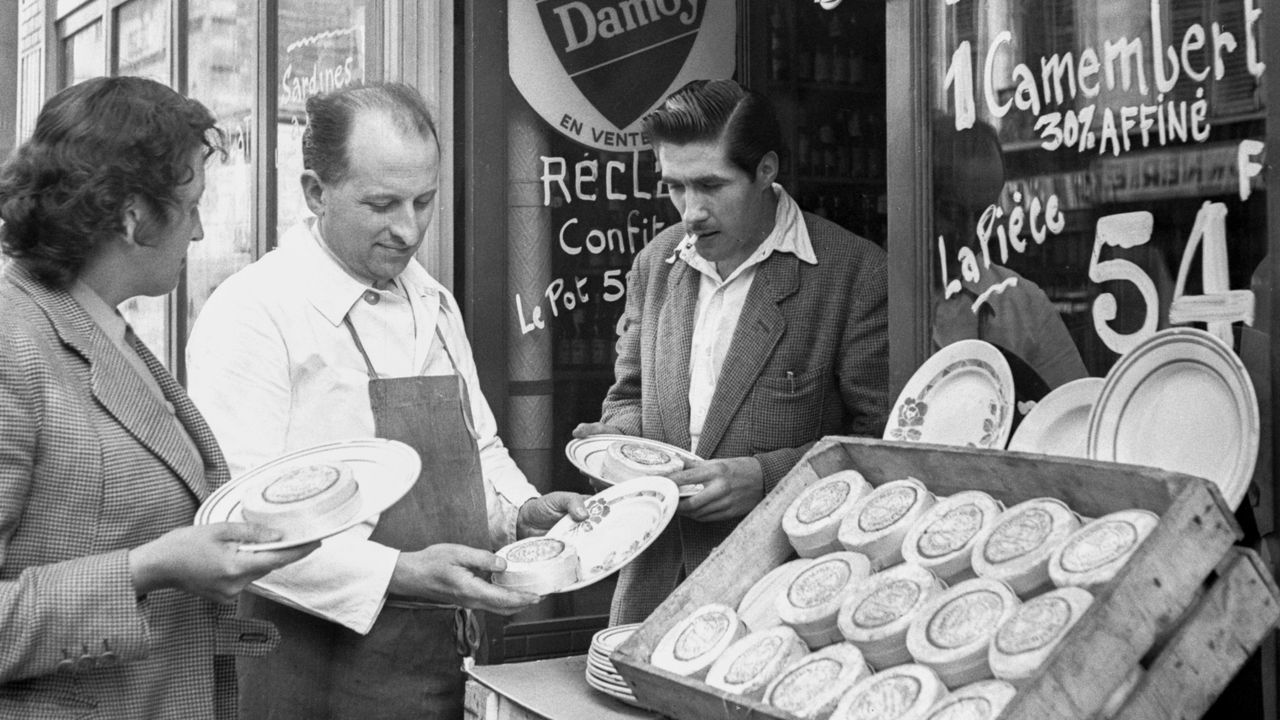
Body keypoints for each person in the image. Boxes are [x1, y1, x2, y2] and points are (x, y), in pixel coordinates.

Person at [186, 82, 587, 720]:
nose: (408, 229)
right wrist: (396, 573)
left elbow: (479, 444)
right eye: (382, 204)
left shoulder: (434, 302)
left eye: (423, 201)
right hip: (305, 663)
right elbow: (236, 530)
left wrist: (524, 512)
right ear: (316, 192)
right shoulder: (253, 311)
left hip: (432, 654)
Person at [0, 76, 314, 719]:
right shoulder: (12, 345)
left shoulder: (100, 325)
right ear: (134, 216)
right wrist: (147, 569)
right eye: (192, 203)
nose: (199, 232)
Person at [573, 79, 891, 624]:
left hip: (783, 597)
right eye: (674, 187)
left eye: (710, 186)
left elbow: (884, 445)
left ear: (766, 170)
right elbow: (628, 399)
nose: (690, 213)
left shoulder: (854, 272)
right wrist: (613, 451)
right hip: (652, 590)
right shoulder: (655, 263)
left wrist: (766, 479)